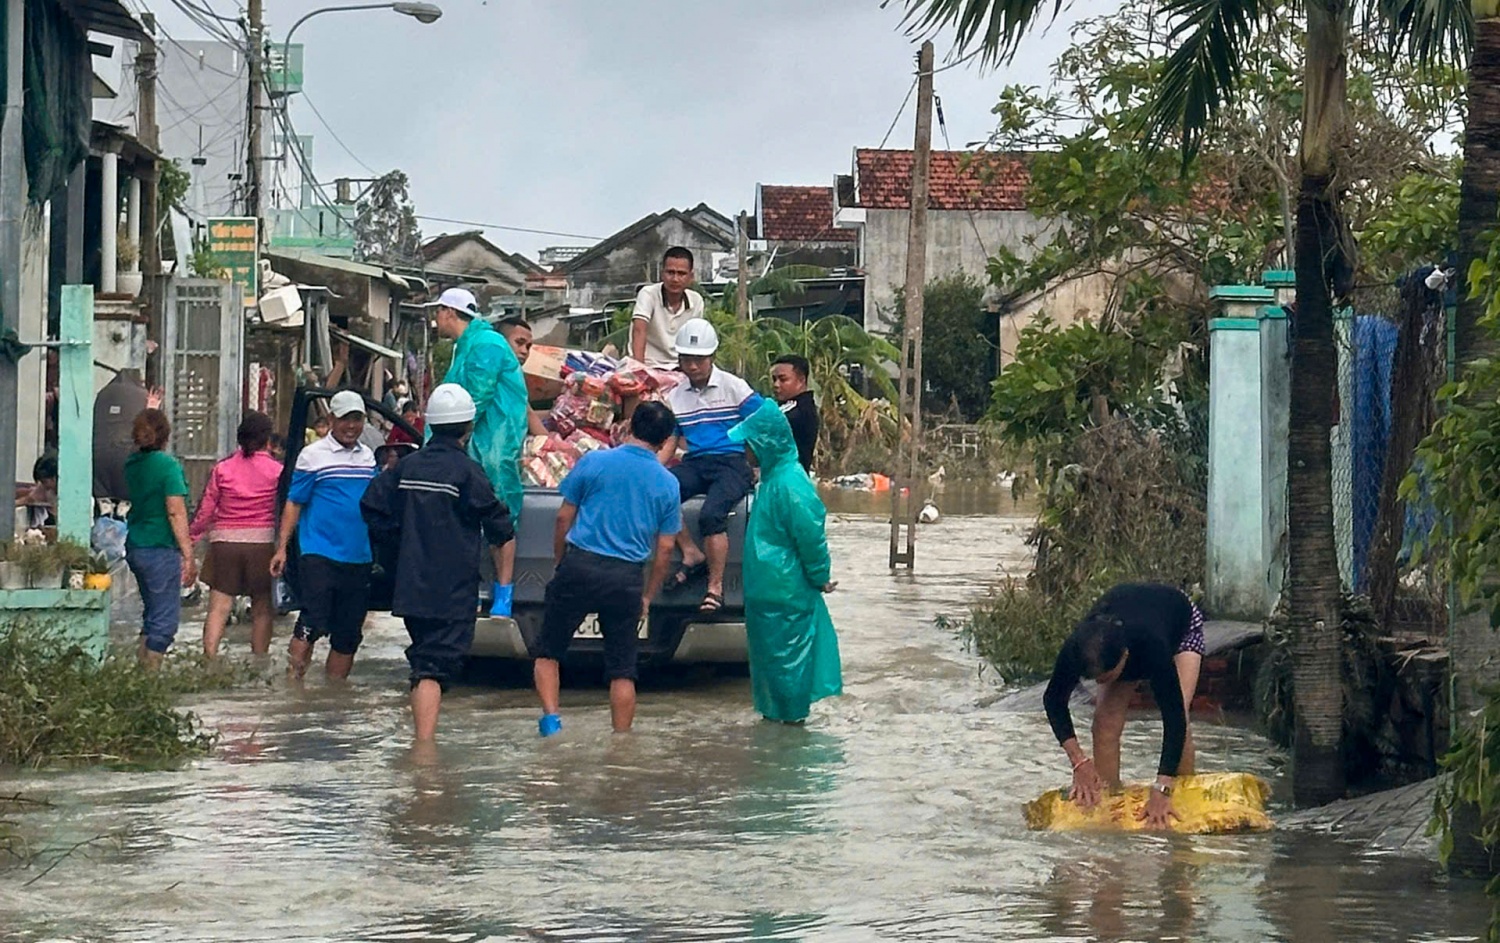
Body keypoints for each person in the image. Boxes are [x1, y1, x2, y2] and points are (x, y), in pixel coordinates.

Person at [361, 384, 515, 742]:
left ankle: (420, 742)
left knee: (423, 660)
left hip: (411, 586)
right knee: (432, 668)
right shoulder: (467, 472)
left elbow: (371, 506)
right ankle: (424, 751)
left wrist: (396, 545)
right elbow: (501, 529)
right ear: (468, 428)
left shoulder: (406, 466)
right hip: (452, 589)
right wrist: (502, 590)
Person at [531, 402, 682, 737]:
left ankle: (552, 723)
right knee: (622, 668)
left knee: (549, 651)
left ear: (629, 426)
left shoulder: (595, 461)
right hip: (626, 577)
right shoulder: (668, 484)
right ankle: (621, 742)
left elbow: (562, 518)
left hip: (579, 564)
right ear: (664, 441)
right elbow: (667, 549)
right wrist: (647, 594)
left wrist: (561, 562)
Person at [1043, 582, 1206, 830]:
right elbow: (1053, 700)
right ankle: (1109, 798)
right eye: (1094, 678)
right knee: (1104, 722)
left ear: (1125, 657)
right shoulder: (1077, 646)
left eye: (1106, 676)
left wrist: (1161, 787)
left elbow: (1173, 720)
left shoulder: (1153, 646)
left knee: (1180, 710)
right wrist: (1079, 762)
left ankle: (1178, 794)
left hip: (1180, 623)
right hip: (1122, 618)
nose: (1100, 683)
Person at [730, 400, 842, 723]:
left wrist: (820, 575)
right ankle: (778, 727)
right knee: (773, 667)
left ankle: (791, 729)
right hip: (771, 593)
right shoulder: (775, 478)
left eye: (749, 443)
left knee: (788, 668)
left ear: (764, 443)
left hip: (785, 593)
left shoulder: (790, 483)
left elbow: (810, 536)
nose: (745, 450)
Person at [432, 286, 527, 617]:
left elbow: (476, 398)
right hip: (475, 445)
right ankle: (473, 589)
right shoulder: (468, 344)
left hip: (493, 445)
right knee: (473, 520)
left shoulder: (485, 345)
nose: (436, 319)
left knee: (501, 518)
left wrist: (450, 440)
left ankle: (503, 592)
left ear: (449, 313)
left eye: (438, 312)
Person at [271, 390, 379, 680]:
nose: (351, 426)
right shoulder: (312, 456)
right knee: (312, 621)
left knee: (348, 634)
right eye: (345, 419)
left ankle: (333, 697)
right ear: (332, 419)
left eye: (357, 419)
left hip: (359, 556)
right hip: (319, 553)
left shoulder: (368, 458)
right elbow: (294, 503)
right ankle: (292, 687)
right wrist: (281, 548)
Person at [660, 318, 763, 613]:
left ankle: (715, 588)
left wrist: (762, 463)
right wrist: (652, 473)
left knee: (712, 514)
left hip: (731, 462)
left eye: (699, 359)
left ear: (712, 357)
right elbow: (671, 440)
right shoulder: (676, 396)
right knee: (662, 494)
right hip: (696, 461)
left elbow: (762, 423)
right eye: (687, 359)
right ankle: (691, 552)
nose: (692, 366)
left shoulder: (733, 387)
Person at [190, 411, 282, 658]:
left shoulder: (223, 469)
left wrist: (191, 539)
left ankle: (209, 661)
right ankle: (259, 663)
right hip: (262, 545)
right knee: (262, 608)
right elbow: (285, 510)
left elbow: (206, 509)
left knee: (218, 608)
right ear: (267, 440)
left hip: (224, 545)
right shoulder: (277, 471)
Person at [123, 409, 198, 667]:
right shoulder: (168, 466)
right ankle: (150, 683)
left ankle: (139, 678)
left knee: (152, 615)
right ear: (166, 437)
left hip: (136, 545)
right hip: (160, 548)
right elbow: (175, 511)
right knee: (164, 623)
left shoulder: (132, 464)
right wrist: (189, 555)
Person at [630, 246, 705, 370]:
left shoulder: (696, 301)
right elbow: (639, 330)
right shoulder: (648, 294)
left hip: (680, 369)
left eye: (681, 274)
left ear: (691, 277)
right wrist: (640, 372)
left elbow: (694, 341)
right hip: (648, 366)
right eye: (670, 272)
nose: (675, 279)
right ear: (662, 274)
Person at [498, 316, 548, 436]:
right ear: (501, 342)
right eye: (519, 343)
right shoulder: (490, 376)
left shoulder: (514, 378)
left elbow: (527, 412)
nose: (524, 351)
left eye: (528, 347)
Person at [770, 354, 818, 474]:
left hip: (788, 481)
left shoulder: (798, 410)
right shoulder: (785, 407)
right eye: (774, 379)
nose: (776, 384)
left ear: (801, 380)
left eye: (783, 379)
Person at [16, 452, 58, 529]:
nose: (43, 485)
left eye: (44, 482)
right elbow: (29, 499)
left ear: (54, 478)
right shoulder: (44, 489)